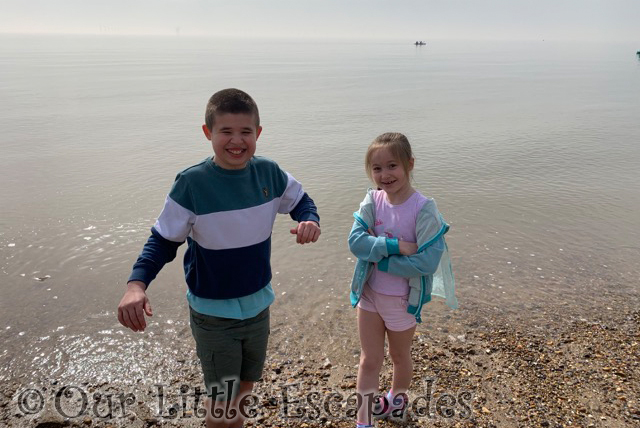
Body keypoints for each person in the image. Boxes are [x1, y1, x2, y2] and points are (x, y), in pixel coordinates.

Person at [117, 88, 321, 428]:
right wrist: (136, 285)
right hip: (213, 313)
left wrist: (308, 220)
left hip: (258, 306)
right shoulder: (192, 183)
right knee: (221, 397)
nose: (236, 141)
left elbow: (301, 200)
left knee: (244, 387)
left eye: (245, 132)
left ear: (258, 133)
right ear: (208, 133)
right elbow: (163, 241)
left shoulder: (269, 173)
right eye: (226, 131)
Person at [347, 132, 457, 427]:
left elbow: (426, 262)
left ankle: (397, 399)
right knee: (369, 360)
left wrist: (378, 255)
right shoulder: (372, 200)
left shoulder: (424, 209)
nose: (385, 175)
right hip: (369, 295)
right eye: (377, 168)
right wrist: (395, 247)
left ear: (410, 164)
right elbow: (355, 242)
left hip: (401, 302)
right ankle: (363, 422)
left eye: (392, 165)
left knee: (399, 357)